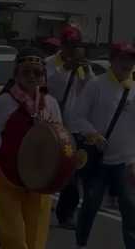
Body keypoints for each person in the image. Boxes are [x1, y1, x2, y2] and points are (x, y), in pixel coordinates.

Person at [70, 43, 135, 249]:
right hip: (98, 160)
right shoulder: (96, 85)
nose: (128, 64)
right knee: (90, 204)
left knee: (130, 208)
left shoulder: (134, 89)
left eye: (131, 59)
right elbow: (77, 117)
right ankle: (81, 243)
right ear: (113, 60)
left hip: (126, 161)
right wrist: (93, 134)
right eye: (123, 59)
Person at [0, 47, 62, 249]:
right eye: (26, 72)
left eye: (37, 72)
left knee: (36, 240)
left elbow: (60, 138)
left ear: (43, 76)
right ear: (17, 74)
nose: (32, 76)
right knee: (14, 239)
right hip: (7, 178)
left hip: (40, 180)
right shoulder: (5, 102)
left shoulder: (50, 104)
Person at [45, 25, 94, 229]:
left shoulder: (82, 67)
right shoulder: (49, 64)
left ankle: (66, 214)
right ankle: (41, 201)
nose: (72, 49)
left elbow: (90, 89)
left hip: (72, 129)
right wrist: (66, 68)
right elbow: (47, 85)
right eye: (70, 45)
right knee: (46, 168)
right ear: (62, 45)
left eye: (76, 46)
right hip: (50, 125)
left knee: (72, 174)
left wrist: (84, 69)